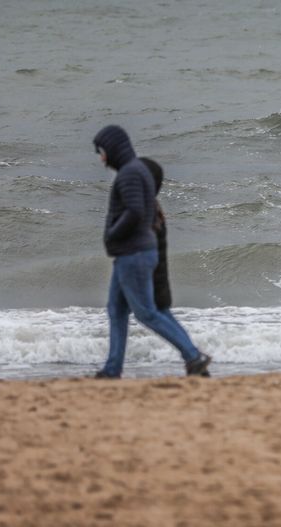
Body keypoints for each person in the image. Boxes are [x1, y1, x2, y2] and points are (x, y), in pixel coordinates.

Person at [93, 125, 211, 378]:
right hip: (131, 253)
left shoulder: (130, 174)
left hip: (132, 254)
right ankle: (112, 369)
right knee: (116, 309)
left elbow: (135, 211)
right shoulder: (136, 170)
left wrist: (113, 233)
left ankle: (193, 356)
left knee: (146, 313)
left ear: (113, 149)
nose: (101, 158)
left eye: (102, 151)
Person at [140, 157, 210, 377]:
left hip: (151, 275)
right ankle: (193, 357)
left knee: (150, 314)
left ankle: (193, 356)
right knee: (121, 312)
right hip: (157, 275)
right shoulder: (152, 208)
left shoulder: (147, 210)